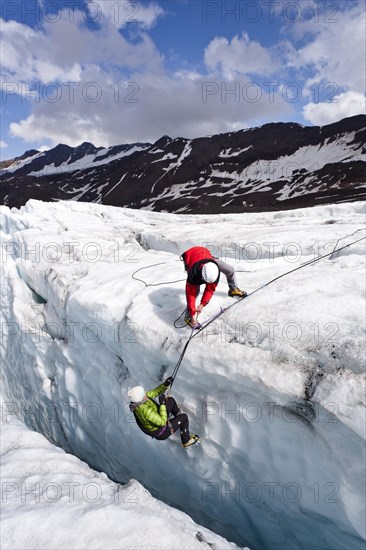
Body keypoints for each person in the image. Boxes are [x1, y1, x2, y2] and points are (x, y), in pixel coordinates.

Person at [181, 246, 247, 327]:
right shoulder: (193, 274)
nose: (206, 284)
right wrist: (193, 312)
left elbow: (210, 289)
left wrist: (202, 304)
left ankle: (233, 290)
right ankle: (189, 317)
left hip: (205, 254)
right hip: (190, 255)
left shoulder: (215, 271)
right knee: (195, 291)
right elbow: (190, 295)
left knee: (230, 270)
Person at [128, 377, 199, 447]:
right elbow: (162, 421)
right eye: (144, 393)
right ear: (140, 398)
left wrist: (165, 385)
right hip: (162, 431)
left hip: (159, 417)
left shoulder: (140, 400)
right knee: (184, 417)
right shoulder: (144, 411)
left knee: (170, 400)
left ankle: (177, 419)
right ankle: (186, 441)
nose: (145, 393)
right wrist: (162, 404)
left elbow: (154, 392)